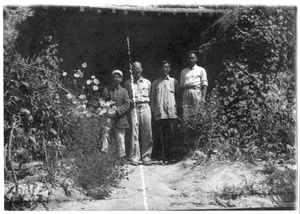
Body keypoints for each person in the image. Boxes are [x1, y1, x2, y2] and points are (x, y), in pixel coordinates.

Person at [151, 60, 180, 164]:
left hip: (171, 112)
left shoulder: (174, 81)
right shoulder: (155, 83)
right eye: (163, 67)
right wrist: (153, 112)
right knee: (161, 136)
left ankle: (172, 157)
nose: (164, 69)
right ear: (160, 69)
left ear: (169, 69)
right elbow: (153, 98)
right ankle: (162, 157)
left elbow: (177, 97)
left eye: (166, 67)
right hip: (160, 112)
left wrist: (177, 110)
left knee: (171, 135)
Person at [125, 62, 153, 166]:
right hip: (134, 107)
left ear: (141, 69)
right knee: (134, 132)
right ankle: (134, 157)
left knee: (147, 131)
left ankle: (146, 157)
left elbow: (150, 94)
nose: (136, 70)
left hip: (145, 106)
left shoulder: (147, 82)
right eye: (133, 68)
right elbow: (127, 97)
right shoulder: (128, 83)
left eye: (138, 68)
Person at [102, 70, 130, 159]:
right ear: (112, 79)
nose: (116, 79)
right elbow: (102, 102)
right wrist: (107, 110)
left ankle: (121, 157)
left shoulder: (124, 91)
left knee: (120, 138)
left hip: (120, 118)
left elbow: (127, 104)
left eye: (118, 77)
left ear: (121, 79)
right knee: (105, 135)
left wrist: (117, 111)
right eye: (115, 77)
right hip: (108, 117)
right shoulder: (107, 90)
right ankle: (105, 155)